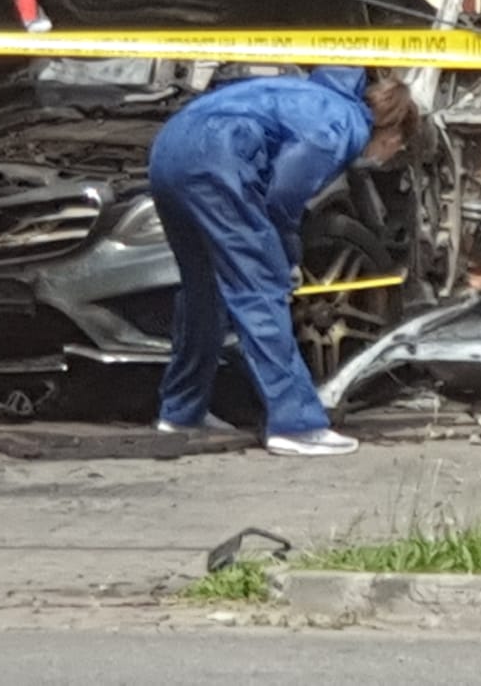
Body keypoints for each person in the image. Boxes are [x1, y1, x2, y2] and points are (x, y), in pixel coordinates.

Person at [146, 66, 420, 457]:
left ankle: (181, 412)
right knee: (260, 291)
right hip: (217, 159)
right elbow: (283, 196)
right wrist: (284, 255)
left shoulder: (312, 97)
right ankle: (296, 424)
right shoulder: (344, 127)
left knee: (203, 290)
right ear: (393, 136)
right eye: (397, 149)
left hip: (169, 150)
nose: (389, 156)